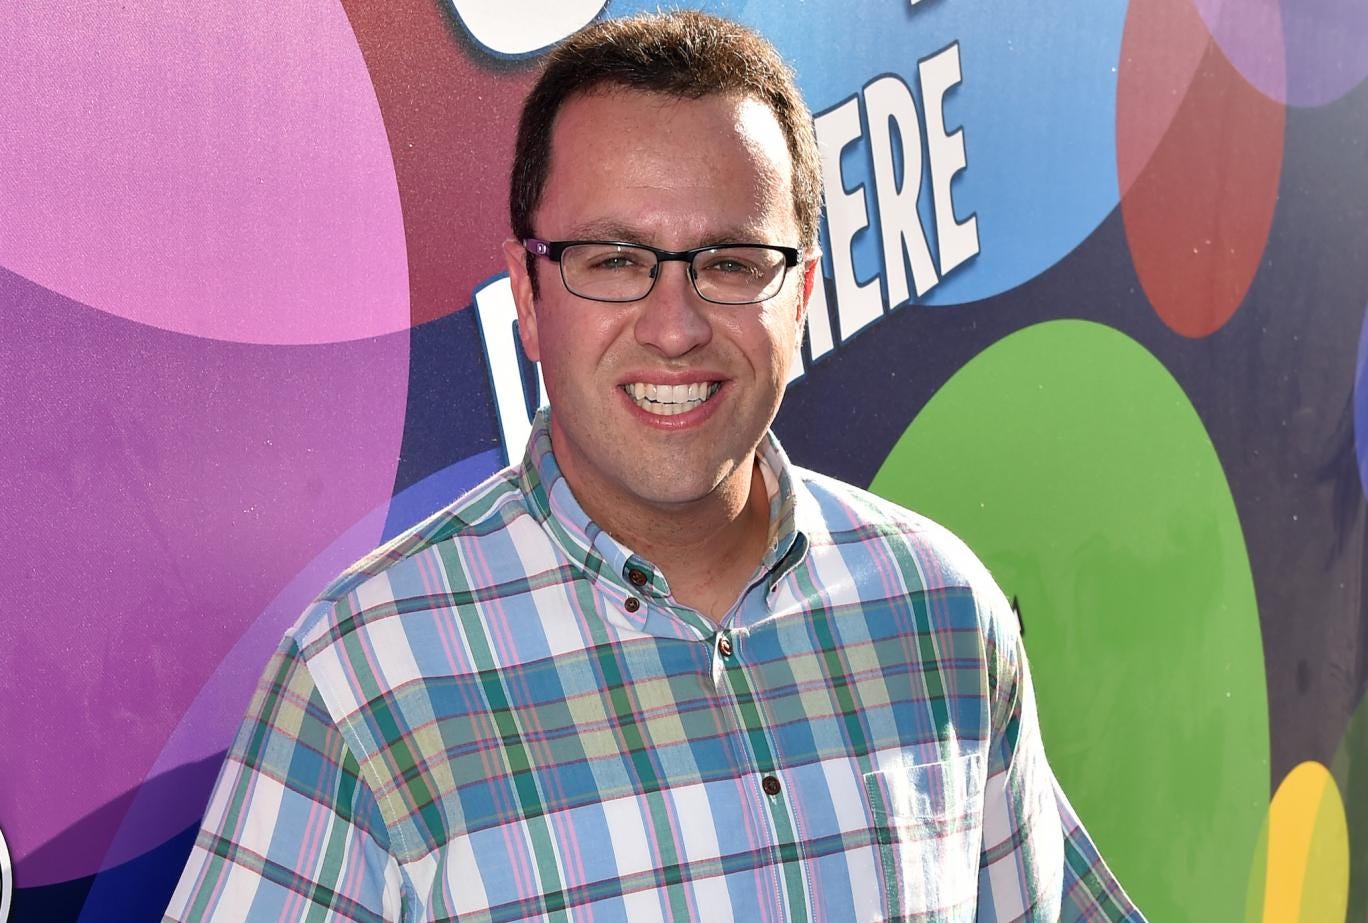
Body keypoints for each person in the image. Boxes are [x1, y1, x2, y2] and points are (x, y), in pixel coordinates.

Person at [166, 11, 1142, 922]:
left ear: (801, 294)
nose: (674, 327)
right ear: (528, 297)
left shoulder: (940, 615)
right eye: (614, 259)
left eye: (731, 262)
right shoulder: (362, 682)